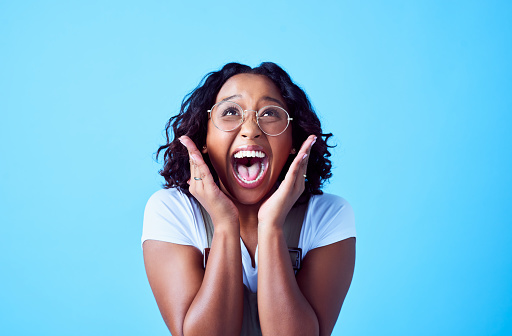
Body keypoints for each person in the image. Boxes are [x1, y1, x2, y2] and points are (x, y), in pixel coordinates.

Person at [142, 62, 356, 336]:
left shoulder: (329, 215)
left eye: (269, 113)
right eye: (231, 112)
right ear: (203, 136)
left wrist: (271, 226)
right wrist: (224, 224)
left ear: (293, 140)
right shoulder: (171, 210)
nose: (251, 129)